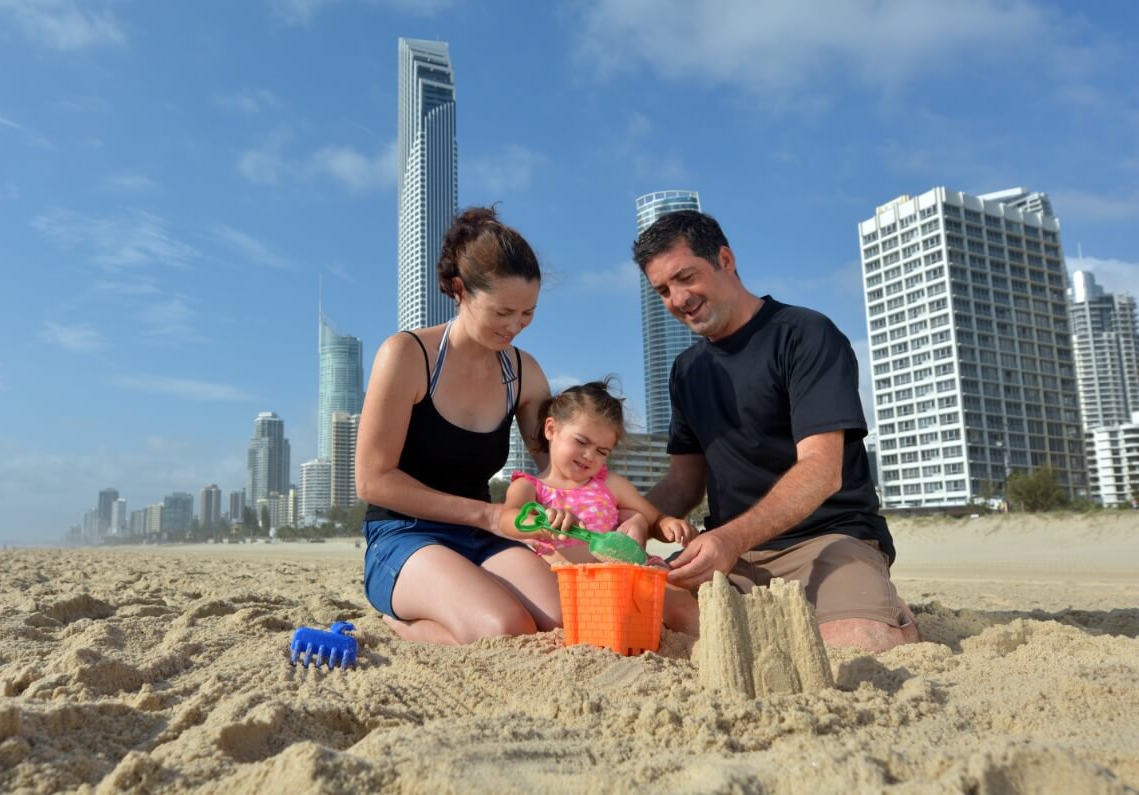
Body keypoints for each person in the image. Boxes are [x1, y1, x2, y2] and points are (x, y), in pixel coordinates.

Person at [632, 210, 920, 653]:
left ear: (725, 260)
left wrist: (730, 538)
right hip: (727, 558)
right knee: (635, 615)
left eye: (685, 277)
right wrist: (636, 518)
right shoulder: (686, 370)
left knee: (857, 644)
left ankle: (885, 611)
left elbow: (823, 471)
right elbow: (683, 482)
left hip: (826, 539)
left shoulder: (804, 334)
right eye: (663, 291)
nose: (678, 298)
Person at [356, 206, 561, 645]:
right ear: (459, 290)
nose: (515, 327)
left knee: (562, 620)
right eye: (503, 311)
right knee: (505, 630)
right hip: (403, 534)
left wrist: (617, 516)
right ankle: (400, 623)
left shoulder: (525, 374)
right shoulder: (407, 356)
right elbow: (373, 481)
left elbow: (556, 467)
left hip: (480, 535)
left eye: (527, 314)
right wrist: (491, 515)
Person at [500, 380, 701, 634]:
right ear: (551, 429)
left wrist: (667, 524)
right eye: (581, 442)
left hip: (629, 577)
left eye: (602, 451)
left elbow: (654, 518)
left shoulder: (609, 484)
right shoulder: (530, 487)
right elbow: (509, 518)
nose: (589, 456)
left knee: (680, 605)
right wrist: (541, 522)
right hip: (573, 590)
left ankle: (706, 646)